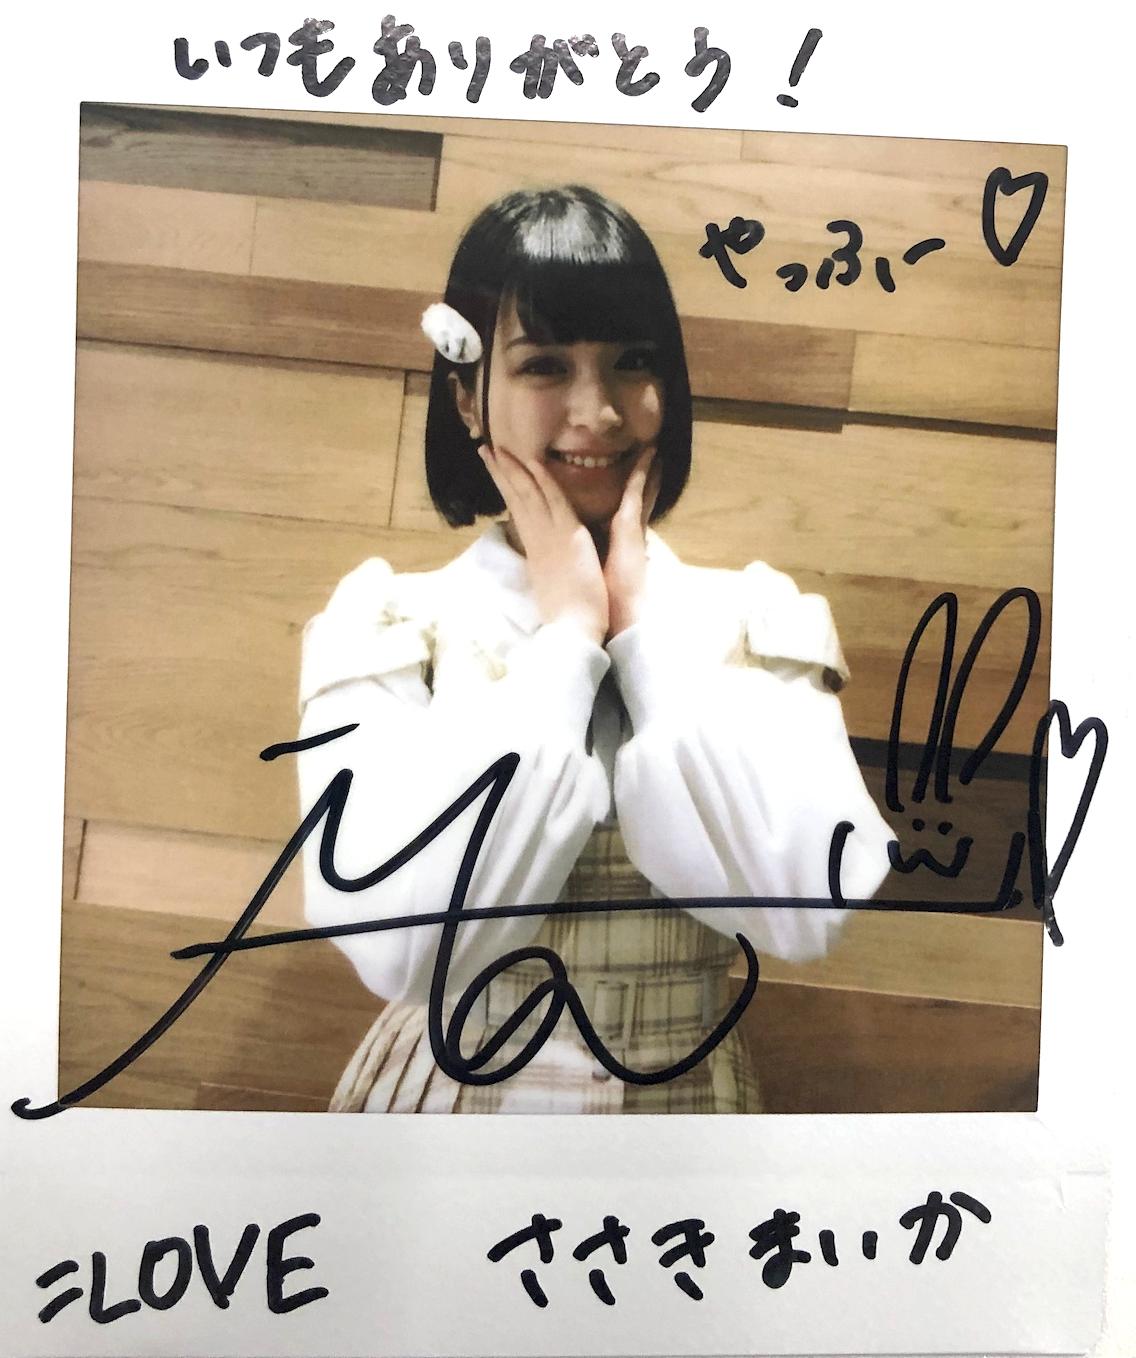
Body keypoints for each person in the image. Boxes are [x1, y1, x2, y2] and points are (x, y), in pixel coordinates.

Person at [296, 185, 892, 1114]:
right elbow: (403, 951)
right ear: (467, 397)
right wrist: (570, 639)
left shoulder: (754, 619)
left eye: (632, 363)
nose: (599, 411)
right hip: (439, 1129)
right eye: (544, 366)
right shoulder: (389, 626)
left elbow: (807, 910)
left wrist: (642, 636)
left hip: (684, 1130)